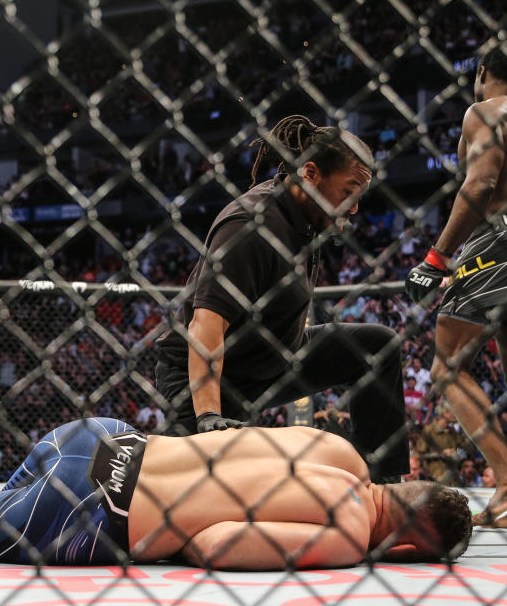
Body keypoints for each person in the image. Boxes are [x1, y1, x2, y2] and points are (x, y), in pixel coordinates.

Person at [0, 417, 471, 569]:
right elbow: (212, 545)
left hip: (107, 438)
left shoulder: (339, 450)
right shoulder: (346, 533)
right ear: (409, 541)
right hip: (97, 516)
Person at [156, 114, 408, 481]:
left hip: (273, 360)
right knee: (197, 493)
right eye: (349, 191)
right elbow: (205, 323)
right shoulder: (251, 226)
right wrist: (209, 415)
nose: (354, 207)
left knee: (378, 346)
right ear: (310, 174)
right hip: (209, 378)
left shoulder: (308, 216)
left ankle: (385, 486)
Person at [405, 40, 507, 530]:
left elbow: (478, 184)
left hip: (494, 237)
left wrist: (436, 258)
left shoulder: (482, 111)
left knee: (447, 366)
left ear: (482, 72)